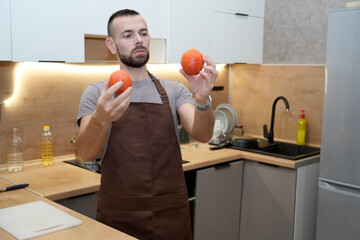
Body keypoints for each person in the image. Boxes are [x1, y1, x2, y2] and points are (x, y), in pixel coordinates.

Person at [76, 9, 217, 240]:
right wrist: (101, 117)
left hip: (171, 215)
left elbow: (203, 134)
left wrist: (202, 101)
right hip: (118, 217)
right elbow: (84, 153)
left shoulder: (174, 90)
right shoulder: (97, 94)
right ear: (111, 45)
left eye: (143, 33)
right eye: (128, 35)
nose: (139, 40)